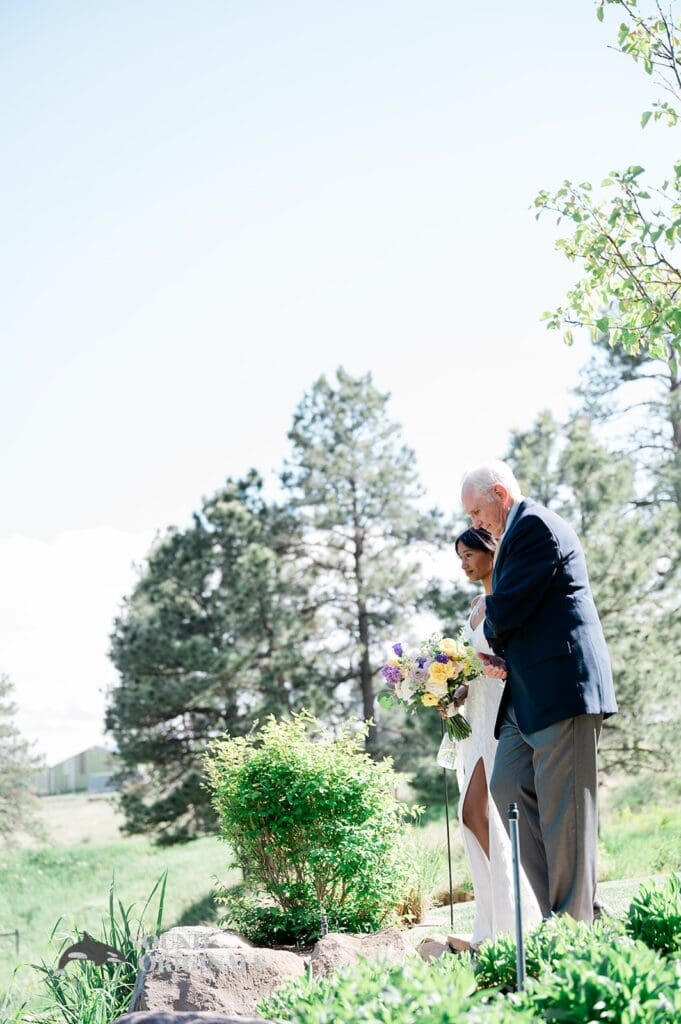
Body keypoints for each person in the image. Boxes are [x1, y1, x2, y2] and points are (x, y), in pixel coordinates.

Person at [460, 460, 618, 923]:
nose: (475, 523)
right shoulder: (514, 536)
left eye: (476, 511)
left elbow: (506, 611)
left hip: (561, 690)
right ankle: (560, 910)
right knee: (507, 782)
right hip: (525, 692)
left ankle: (576, 925)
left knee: (565, 813)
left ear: (499, 493)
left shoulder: (535, 527)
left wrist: (485, 616)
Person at [450, 526, 541, 948]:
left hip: (502, 718)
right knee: (470, 816)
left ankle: (518, 918)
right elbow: (473, 667)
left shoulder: (508, 598)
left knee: (487, 815)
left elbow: (513, 659)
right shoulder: (473, 606)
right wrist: (452, 689)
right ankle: (491, 923)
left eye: (470, 553)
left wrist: (490, 665)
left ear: (491, 551)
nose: (465, 562)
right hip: (473, 716)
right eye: (460, 557)